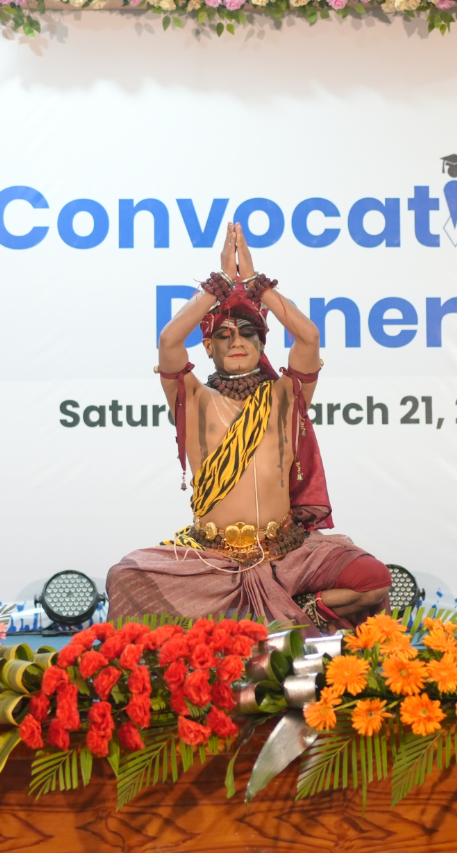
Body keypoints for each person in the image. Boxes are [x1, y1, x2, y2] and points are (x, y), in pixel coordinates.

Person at [105, 222, 391, 630]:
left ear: (261, 344)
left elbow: (308, 338)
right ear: (208, 346)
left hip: (287, 554)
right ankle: (266, 616)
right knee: (125, 576)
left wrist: (256, 283)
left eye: (247, 332)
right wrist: (220, 284)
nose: (237, 341)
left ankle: (300, 610)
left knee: (373, 580)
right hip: (212, 558)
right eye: (224, 335)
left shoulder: (284, 398)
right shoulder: (194, 401)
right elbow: (169, 342)